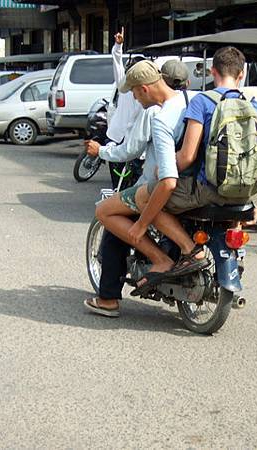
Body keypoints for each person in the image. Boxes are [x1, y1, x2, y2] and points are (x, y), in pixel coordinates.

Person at [132, 46, 257, 275]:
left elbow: (187, 156)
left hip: (208, 190)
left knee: (145, 197)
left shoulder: (202, 102)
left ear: (212, 72)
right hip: (247, 194)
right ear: (241, 74)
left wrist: (162, 168)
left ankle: (189, 249)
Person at [84, 60, 198, 316]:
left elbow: (133, 154)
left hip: (159, 188)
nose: (135, 99)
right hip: (195, 187)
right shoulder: (195, 102)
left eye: (134, 93)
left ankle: (110, 298)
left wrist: (100, 150)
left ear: (144, 89)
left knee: (108, 216)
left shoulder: (156, 115)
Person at [85, 27, 143, 189]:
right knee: (118, 180)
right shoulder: (124, 85)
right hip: (116, 139)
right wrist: (118, 47)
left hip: (132, 142)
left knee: (130, 181)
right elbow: (117, 63)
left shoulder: (147, 92)